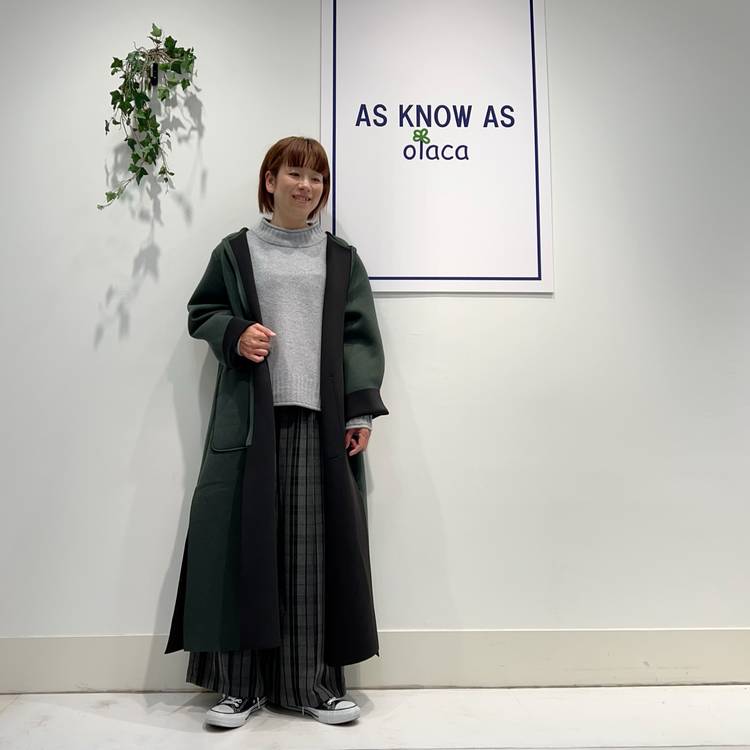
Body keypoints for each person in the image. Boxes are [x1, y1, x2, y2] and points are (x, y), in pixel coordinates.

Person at [163, 136, 388, 729]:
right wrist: (235, 333)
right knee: (244, 548)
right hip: (250, 425)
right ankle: (239, 689)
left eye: (316, 178)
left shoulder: (341, 258)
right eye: (294, 173)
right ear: (270, 180)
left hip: (319, 426)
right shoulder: (236, 251)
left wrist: (359, 413)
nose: (306, 186)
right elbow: (202, 313)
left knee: (309, 559)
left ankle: (310, 685)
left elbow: (359, 337)